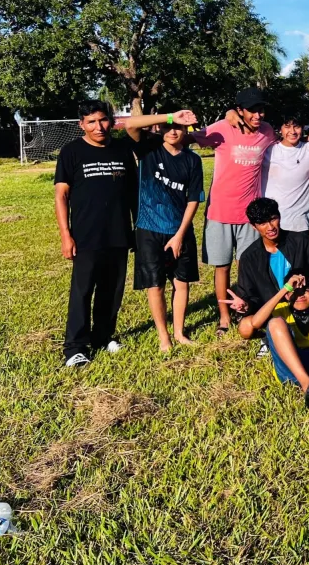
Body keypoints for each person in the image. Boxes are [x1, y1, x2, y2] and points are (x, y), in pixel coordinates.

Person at [55, 100, 138, 367]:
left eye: (102, 120)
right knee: (82, 291)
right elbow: (61, 196)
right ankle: (75, 347)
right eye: (91, 122)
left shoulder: (123, 150)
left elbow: (133, 194)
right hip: (86, 236)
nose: (98, 126)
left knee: (112, 290)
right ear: (82, 125)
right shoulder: (71, 152)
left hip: (118, 233)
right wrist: (66, 236)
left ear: (111, 122)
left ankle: (103, 336)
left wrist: (136, 229)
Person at [191, 87, 276, 337]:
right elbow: (189, 139)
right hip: (219, 212)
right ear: (240, 110)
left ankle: (247, 311)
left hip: (250, 216)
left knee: (249, 266)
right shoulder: (222, 128)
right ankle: (225, 317)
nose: (258, 115)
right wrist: (226, 114)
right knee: (222, 267)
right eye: (252, 110)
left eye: (261, 109)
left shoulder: (267, 132)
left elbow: (284, 145)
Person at [124, 105, 203, 352]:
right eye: (169, 126)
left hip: (179, 230)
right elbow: (130, 125)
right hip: (148, 228)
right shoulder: (149, 148)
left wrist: (180, 235)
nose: (173, 131)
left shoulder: (192, 159)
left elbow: (193, 199)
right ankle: (163, 336)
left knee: (181, 283)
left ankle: (179, 332)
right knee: (155, 284)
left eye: (178, 127)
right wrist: (169, 116)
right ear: (160, 127)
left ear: (185, 130)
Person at [221, 198, 309, 379]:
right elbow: (251, 296)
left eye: (273, 219)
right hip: (274, 314)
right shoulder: (249, 257)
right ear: (254, 227)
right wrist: (245, 305)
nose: (270, 226)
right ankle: (270, 339)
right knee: (245, 328)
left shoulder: (301, 242)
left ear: (279, 217)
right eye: (262, 223)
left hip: (304, 306)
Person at [236, 268, 309, 406]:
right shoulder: (280, 309)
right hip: (290, 370)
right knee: (275, 323)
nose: (300, 295)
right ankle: (307, 385)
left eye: (305, 289)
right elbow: (255, 323)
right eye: (295, 290)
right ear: (287, 295)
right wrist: (284, 289)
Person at [260, 113, 309, 238]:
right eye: (287, 127)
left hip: (298, 225)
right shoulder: (268, 150)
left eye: (296, 127)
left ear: (302, 128)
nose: (292, 131)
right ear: (279, 129)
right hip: (269, 225)